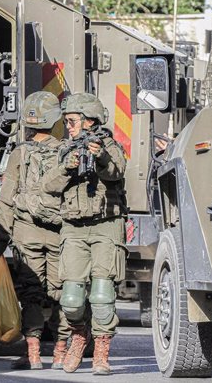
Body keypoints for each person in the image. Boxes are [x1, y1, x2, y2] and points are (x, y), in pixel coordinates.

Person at [41, 92, 127, 375]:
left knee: (102, 296)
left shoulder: (109, 146)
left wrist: (99, 155)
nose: (70, 127)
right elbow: (49, 185)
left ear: (91, 120)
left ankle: (101, 352)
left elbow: (116, 172)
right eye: (67, 122)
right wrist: (68, 166)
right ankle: (79, 335)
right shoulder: (64, 149)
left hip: (106, 225)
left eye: (74, 121)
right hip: (74, 229)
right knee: (71, 299)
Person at [0, 91, 70, 370]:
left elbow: (7, 198)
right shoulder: (66, 151)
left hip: (26, 233)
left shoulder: (20, 153)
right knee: (60, 291)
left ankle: (34, 355)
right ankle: (61, 353)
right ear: (55, 121)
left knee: (31, 292)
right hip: (59, 232)